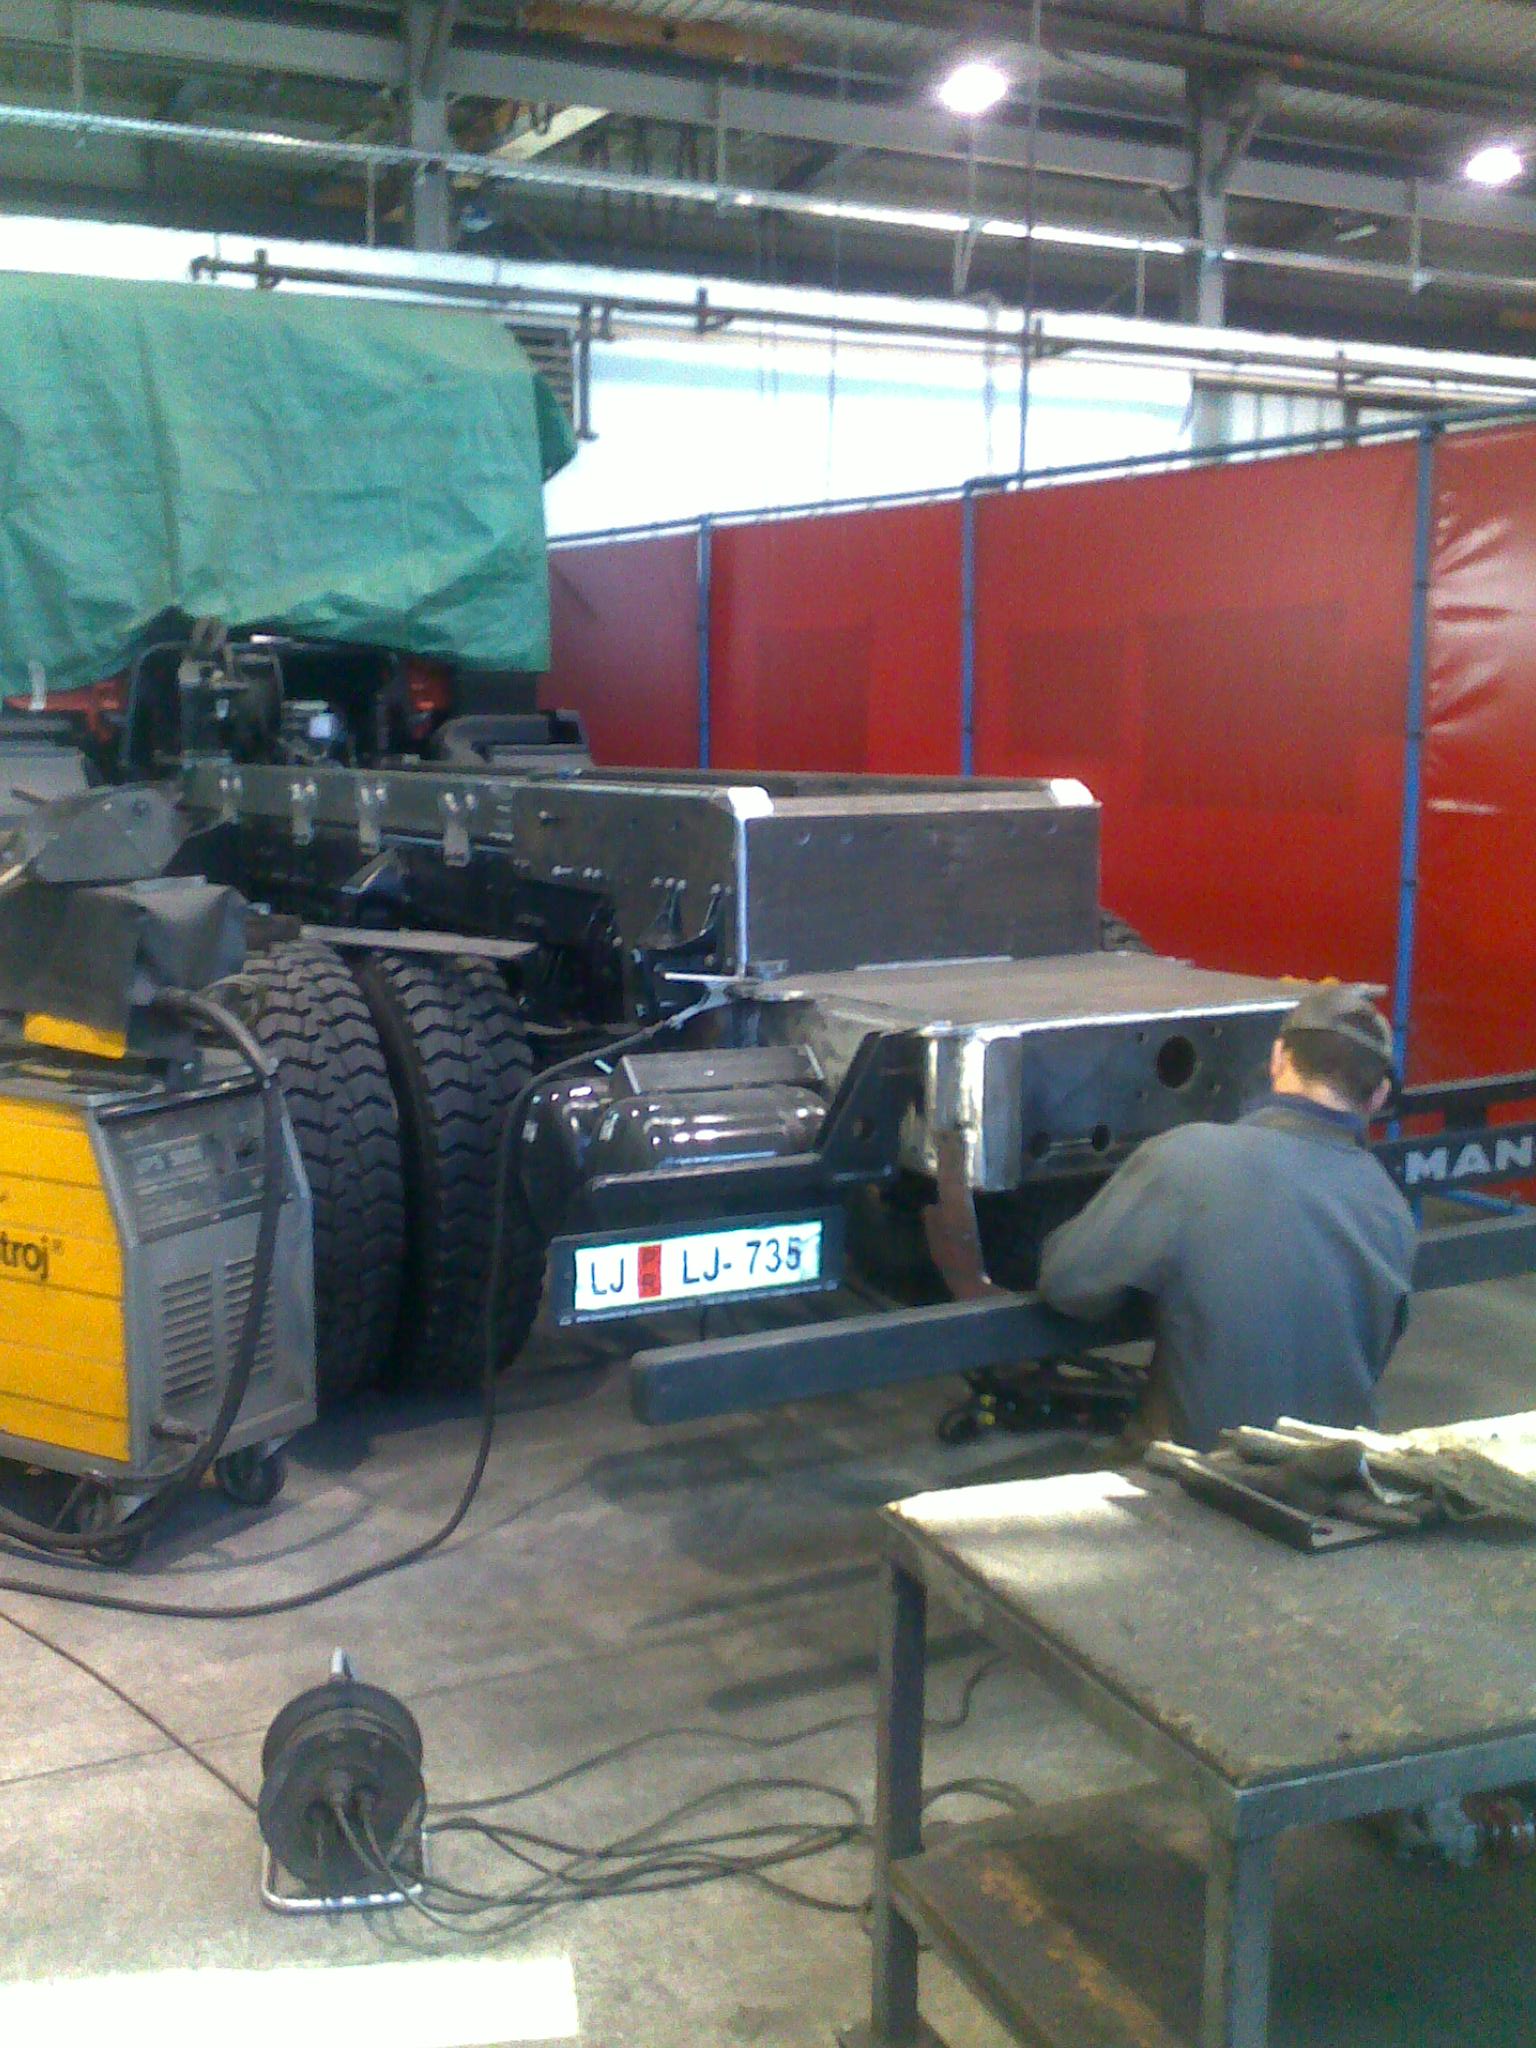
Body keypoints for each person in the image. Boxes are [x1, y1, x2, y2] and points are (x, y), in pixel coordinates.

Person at [1037, 984, 1417, 1452]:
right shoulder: (1391, 1208)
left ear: (1277, 1059)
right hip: (1336, 1473)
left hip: (1211, 1476)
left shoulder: (1186, 1156)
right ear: (1378, 1096)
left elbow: (1068, 1284)